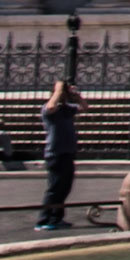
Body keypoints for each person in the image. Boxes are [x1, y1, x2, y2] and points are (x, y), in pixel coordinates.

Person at [36, 79, 83, 231]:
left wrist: (76, 96)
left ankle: (57, 217)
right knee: (55, 188)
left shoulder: (66, 109)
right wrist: (58, 90)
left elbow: (84, 107)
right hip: (55, 153)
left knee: (65, 187)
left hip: (68, 152)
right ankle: (44, 219)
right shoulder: (48, 110)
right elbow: (51, 105)